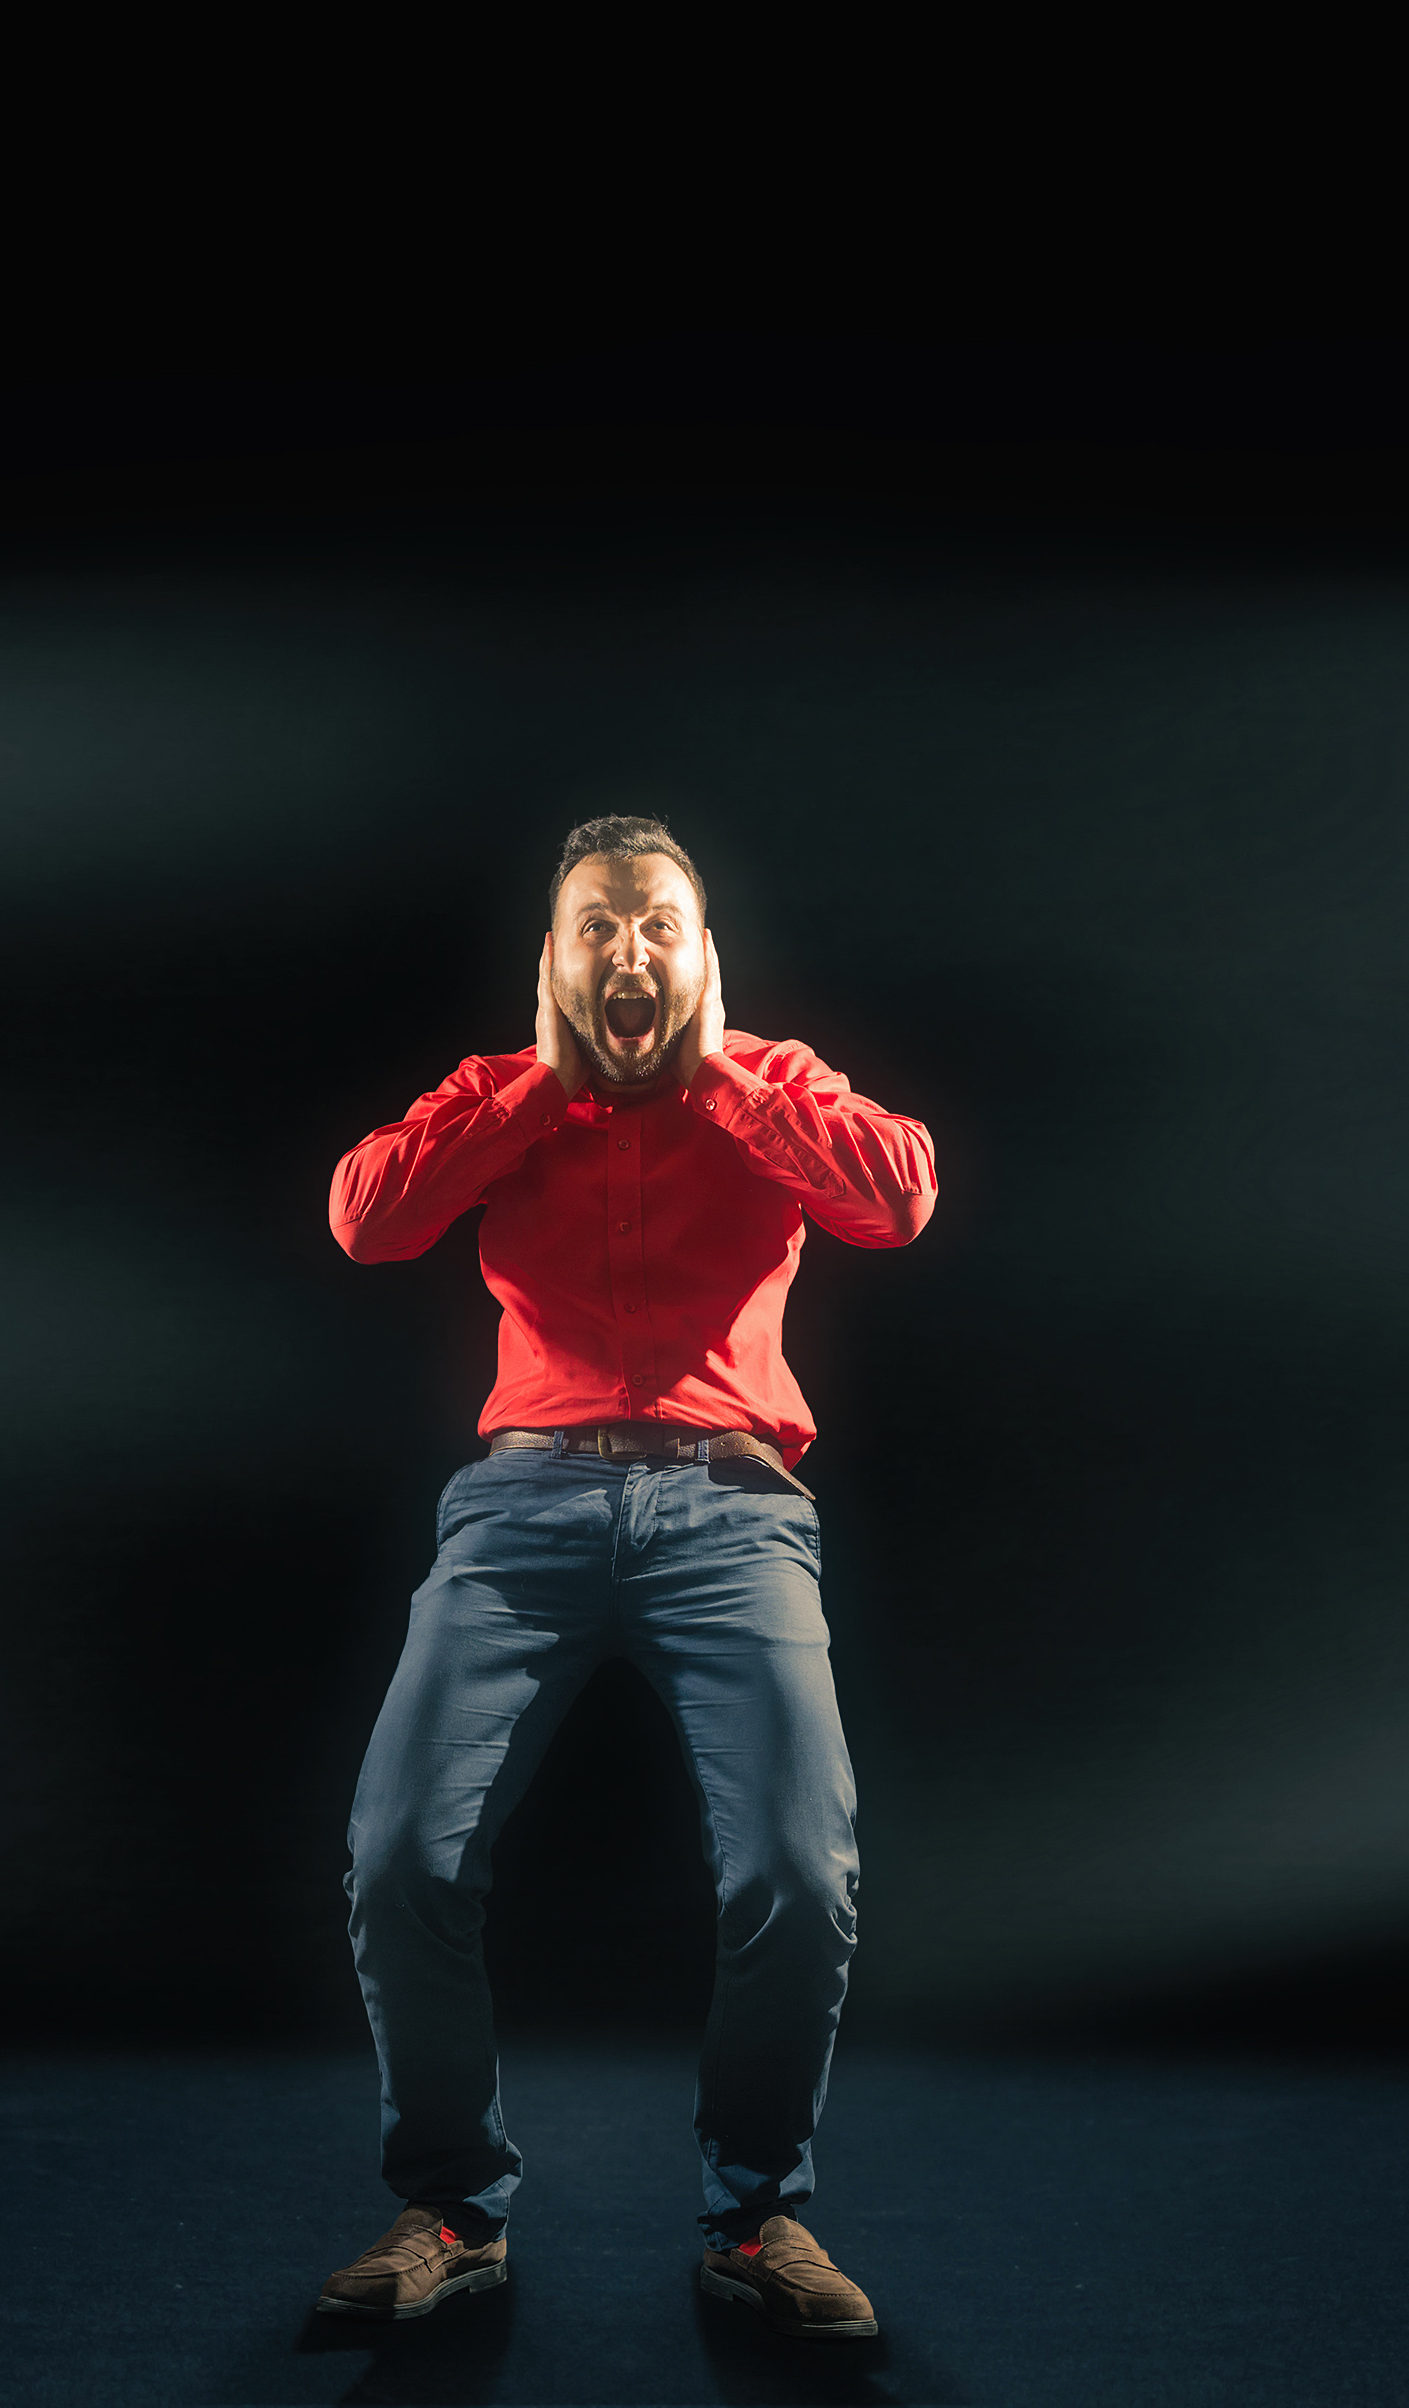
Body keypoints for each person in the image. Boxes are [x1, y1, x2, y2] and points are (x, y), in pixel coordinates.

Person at [304, 815, 940, 2342]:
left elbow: (899, 1197)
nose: (630, 952)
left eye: (659, 924)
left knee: (799, 1873)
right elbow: (366, 1219)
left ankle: (755, 2218)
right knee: (400, 1856)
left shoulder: (772, 1083)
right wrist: (533, 1084)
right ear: (556, 960)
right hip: (520, 1513)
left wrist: (723, 1073)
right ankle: (452, 2208)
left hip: (733, 1513)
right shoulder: (502, 1095)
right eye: (598, 927)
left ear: (703, 955)